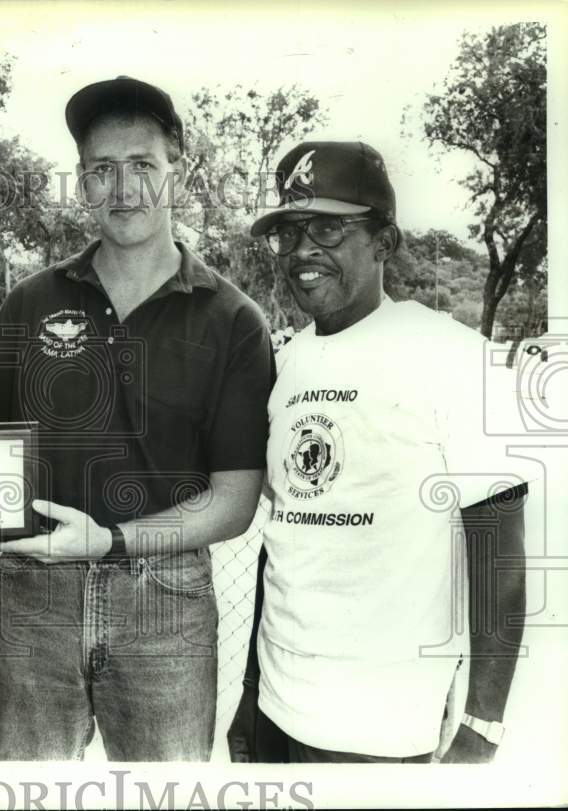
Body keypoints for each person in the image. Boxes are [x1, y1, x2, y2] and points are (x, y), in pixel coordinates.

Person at [0, 77, 274, 761]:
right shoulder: (30, 303)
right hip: (34, 590)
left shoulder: (233, 319)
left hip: (166, 596)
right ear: (82, 182)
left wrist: (110, 541)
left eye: (143, 164)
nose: (124, 188)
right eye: (102, 169)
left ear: (178, 166)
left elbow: (234, 501)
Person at [227, 141, 529, 763]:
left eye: (329, 228)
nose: (303, 250)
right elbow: (285, 536)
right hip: (280, 709)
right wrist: (252, 693)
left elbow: (501, 556)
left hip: (384, 724)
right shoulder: (292, 363)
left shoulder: (450, 356)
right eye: (289, 233)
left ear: (384, 242)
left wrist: (484, 725)